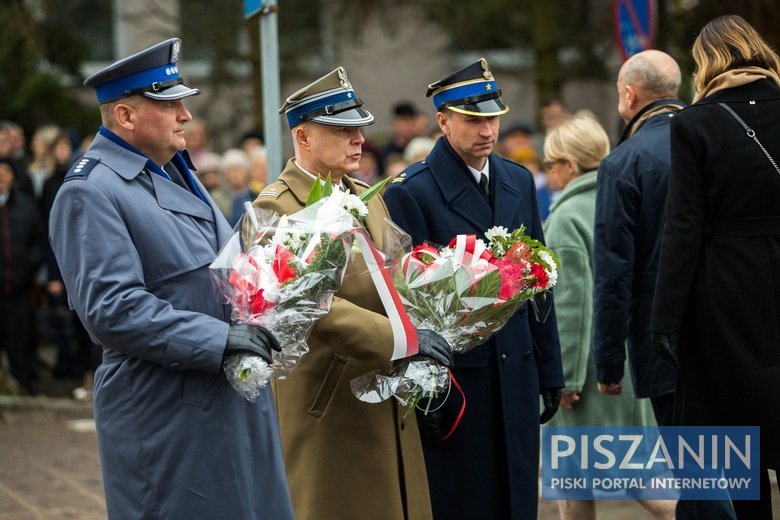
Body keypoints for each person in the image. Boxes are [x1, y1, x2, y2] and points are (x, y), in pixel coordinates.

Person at [47, 38, 293, 519]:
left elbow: (219, 267)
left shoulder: (174, 169)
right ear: (125, 117)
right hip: (166, 409)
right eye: (170, 103)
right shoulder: (91, 191)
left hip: (223, 395)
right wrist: (220, 338)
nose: (185, 115)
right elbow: (112, 310)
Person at [251, 66, 452, 520]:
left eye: (359, 128)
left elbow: (393, 271)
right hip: (329, 395)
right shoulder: (276, 206)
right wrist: (402, 340)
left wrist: (443, 298)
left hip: (385, 385)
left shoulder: (364, 192)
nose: (359, 139)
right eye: (342, 130)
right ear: (302, 137)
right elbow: (303, 303)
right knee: (338, 504)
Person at [383, 58, 564, 520]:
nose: (487, 130)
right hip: (462, 377)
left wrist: (550, 370)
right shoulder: (412, 191)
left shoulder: (518, 179)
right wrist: (424, 388)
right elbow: (410, 302)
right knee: (467, 499)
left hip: (517, 367)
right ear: (443, 121)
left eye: (493, 117)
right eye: (473, 119)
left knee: (520, 498)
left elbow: (537, 281)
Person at [651, 15, 780, 519]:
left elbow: (682, 228)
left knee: (738, 449)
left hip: (726, 292)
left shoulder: (693, 123)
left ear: (706, 63)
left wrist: (664, 321)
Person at [543, 115, 672, 519]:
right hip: (627, 357)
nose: (548, 174)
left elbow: (571, 303)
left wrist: (563, 376)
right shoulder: (621, 197)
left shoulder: (566, 217)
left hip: (586, 374)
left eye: (550, 164)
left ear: (568, 164)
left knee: (618, 483)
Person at [591, 50, 683, 429]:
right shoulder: (717, 142)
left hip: (662, 340)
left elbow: (614, 272)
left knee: (697, 474)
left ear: (628, 96)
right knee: (741, 466)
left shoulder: (624, 162)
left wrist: (609, 363)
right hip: (732, 333)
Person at [0, 158, 43, 394]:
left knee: (21, 339)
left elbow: (39, 239)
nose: (1, 176)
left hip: (20, 286)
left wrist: (30, 266)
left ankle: (25, 387)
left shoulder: (25, 206)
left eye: (5, 171)